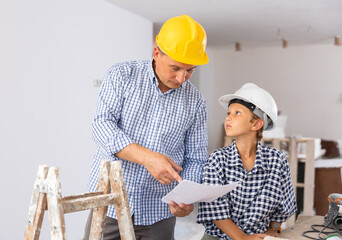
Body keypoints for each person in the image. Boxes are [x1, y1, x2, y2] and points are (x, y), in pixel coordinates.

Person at [84, 15, 209, 240]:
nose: (182, 78)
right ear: (156, 53)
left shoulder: (196, 102)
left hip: (158, 215)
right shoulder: (122, 75)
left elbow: (196, 158)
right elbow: (102, 125)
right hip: (109, 205)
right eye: (175, 68)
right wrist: (147, 158)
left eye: (190, 70)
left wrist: (186, 197)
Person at [197, 83, 297, 240]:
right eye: (228, 112)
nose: (228, 117)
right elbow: (214, 209)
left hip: (259, 236)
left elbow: (285, 206)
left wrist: (274, 229)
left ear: (256, 124)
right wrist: (242, 238)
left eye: (237, 113)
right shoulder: (216, 160)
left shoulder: (277, 161)